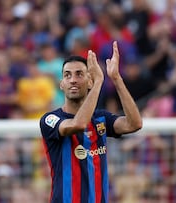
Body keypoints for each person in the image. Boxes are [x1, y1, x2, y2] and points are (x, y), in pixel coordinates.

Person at [39, 41, 142, 203]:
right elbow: (77, 125)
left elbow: (134, 124)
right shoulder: (51, 120)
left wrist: (116, 78)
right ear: (61, 84)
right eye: (67, 75)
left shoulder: (101, 119)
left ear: (89, 82)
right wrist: (99, 83)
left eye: (79, 74)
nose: (72, 80)